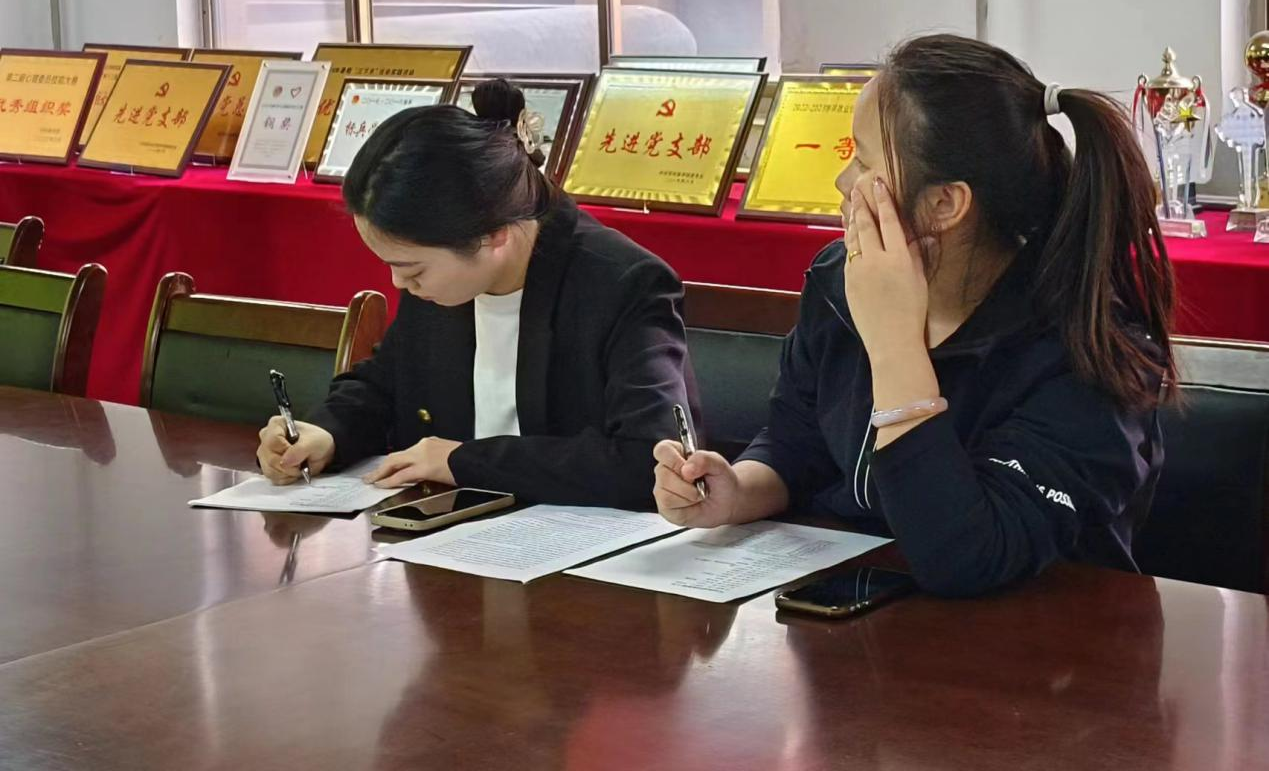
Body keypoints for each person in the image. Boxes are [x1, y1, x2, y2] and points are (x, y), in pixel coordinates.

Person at [653, 34, 1175, 597]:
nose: (843, 181)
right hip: (871, 608)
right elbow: (797, 441)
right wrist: (737, 491)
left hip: (1038, 632)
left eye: (863, 161)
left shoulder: (1085, 348)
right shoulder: (841, 278)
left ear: (945, 203)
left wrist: (895, 347)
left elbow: (967, 557)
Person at [256, 78, 698, 509]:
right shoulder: (442, 281)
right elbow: (386, 384)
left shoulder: (621, 283)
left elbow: (648, 459)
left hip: (577, 542)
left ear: (493, 234)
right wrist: (326, 433)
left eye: (411, 268)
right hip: (450, 531)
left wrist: (463, 461)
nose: (398, 283)